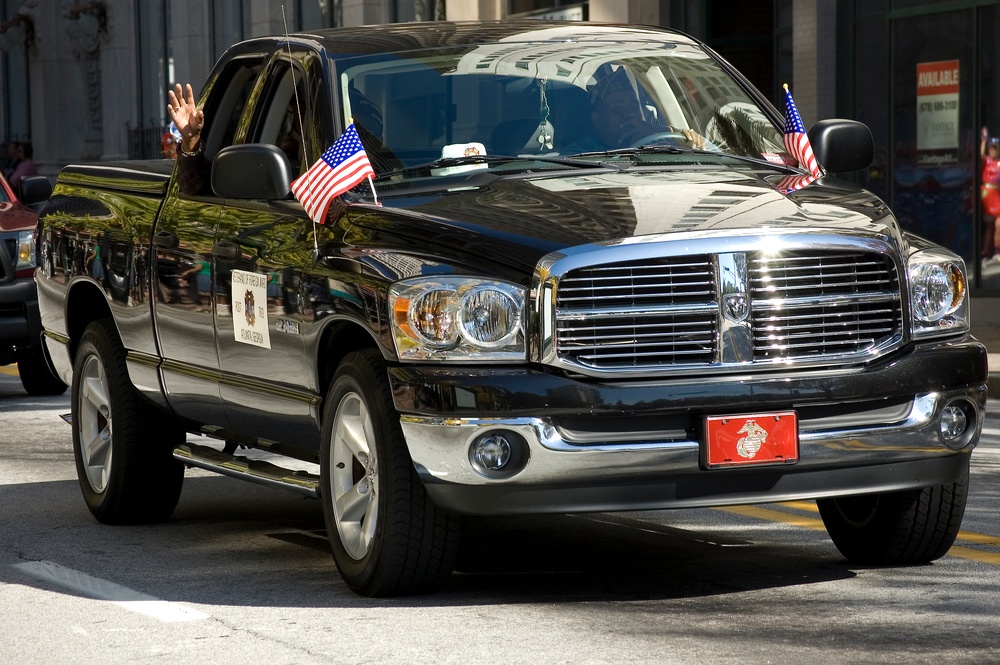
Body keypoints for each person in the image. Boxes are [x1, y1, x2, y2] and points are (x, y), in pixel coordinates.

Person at [565, 64, 706, 154]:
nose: (629, 114)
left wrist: (687, 138)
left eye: (633, 106)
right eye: (618, 109)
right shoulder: (579, 153)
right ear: (597, 119)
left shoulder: (658, 142)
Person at [981, 126, 1000, 263]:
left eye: (994, 148)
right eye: (991, 148)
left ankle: (997, 250)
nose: (992, 151)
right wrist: (984, 139)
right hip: (988, 194)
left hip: (998, 194)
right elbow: (981, 154)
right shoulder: (987, 161)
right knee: (989, 226)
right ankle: (985, 252)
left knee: (999, 225)